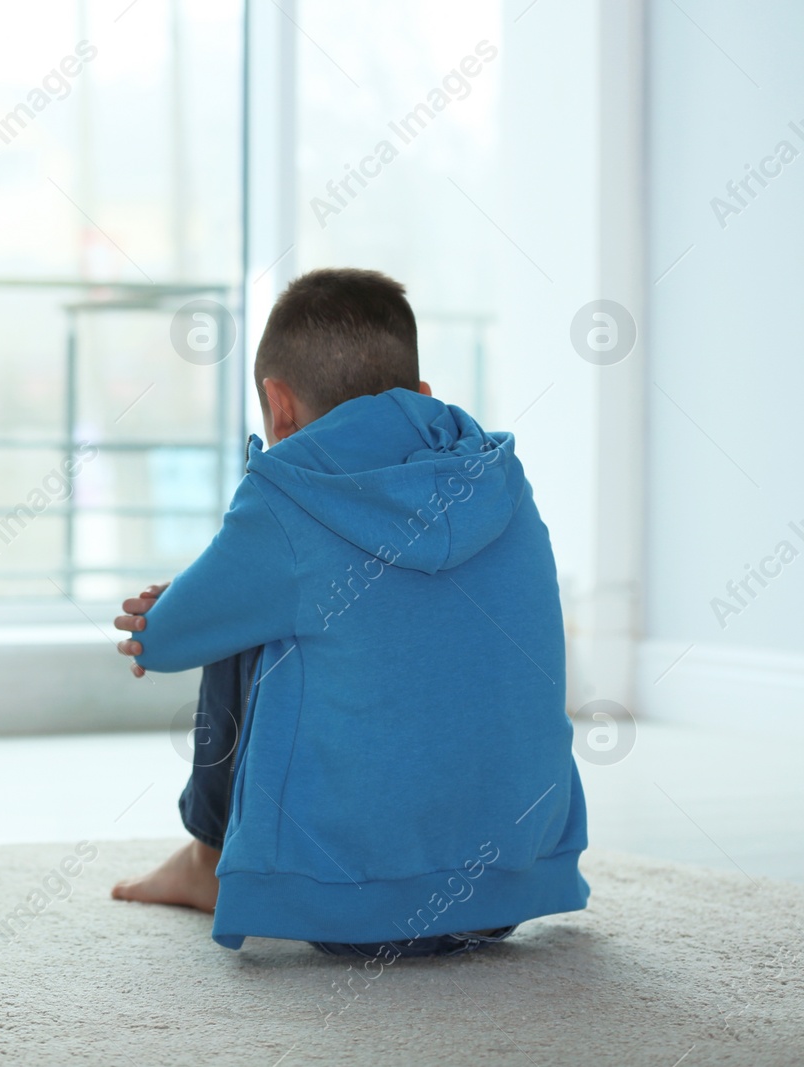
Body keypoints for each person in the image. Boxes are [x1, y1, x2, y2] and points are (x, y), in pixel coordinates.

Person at [110, 268, 589, 957]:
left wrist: (182, 608)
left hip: (355, 902)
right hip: (509, 886)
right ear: (420, 397)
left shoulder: (291, 493)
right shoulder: (502, 480)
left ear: (280, 408)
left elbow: (163, 642)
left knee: (245, 625)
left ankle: (205, 861)